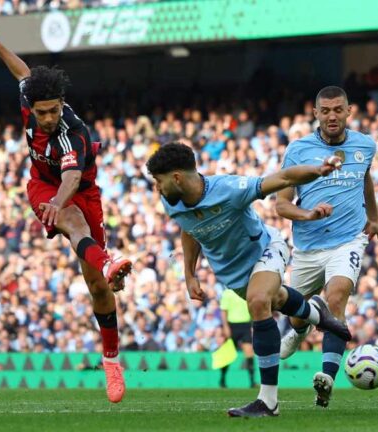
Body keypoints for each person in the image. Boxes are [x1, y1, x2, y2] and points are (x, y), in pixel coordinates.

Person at [0, 21, 132, 403]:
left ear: (63, 104)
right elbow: (22, 72)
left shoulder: (71, 133)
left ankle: (111, 362)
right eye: (42, 112)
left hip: (75, 189)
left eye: (53, 110)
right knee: (74, 225)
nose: (48, 118)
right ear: (32, 105)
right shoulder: (30, 98)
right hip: (42, 186)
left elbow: (74, 178)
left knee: (96, 287)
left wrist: (58, 201)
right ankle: (109, 262)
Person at [147, 142, 351, 418]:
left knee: (259, 301)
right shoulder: (171, 202)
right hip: (233, 272)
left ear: (177, 177)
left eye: (159, 182)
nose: (157, 189)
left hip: (266, 249)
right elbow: (189, 229)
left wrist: (318, 170)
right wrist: (189, 273)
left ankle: (268, 401)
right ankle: (318, 314)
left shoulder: (229, 189)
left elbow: (283, 178)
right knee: (276, 298)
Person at [276, 86, 378, 407]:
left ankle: (327, 379)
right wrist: (307, 213)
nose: (332, 116)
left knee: (336, 298)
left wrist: (373, 218)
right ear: (316, 114)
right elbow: (281, 205)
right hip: (308, 246)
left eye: (338, 109)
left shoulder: (365, 145)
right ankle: (299, 328)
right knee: (296, 313)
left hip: (348, 239)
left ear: (349, 111)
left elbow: (365, 179)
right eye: (326, 110)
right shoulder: (298, 150)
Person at [219, 288, 255, 389]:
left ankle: (252, 381)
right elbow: (223, 311)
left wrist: (253, 325)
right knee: (228, 355)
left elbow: (252, 309)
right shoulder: (227, 292)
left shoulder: (247, 291)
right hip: (232, 326)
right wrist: (225, 327)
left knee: (249, 352)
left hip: (245, 325)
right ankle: (222, 379)